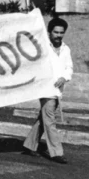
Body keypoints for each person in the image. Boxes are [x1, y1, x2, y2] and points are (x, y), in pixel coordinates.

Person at [22, 17, 73, 164]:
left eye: (61, 32)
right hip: (45, 89)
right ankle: (56, 152)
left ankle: (29, 145)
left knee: (43, 118)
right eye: (56, 32)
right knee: (50, 119)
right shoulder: (42, 47)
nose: (58, 35)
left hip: (57, 90)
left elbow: (69, 67)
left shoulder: (66, 49)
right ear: (49, 32)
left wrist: (64, 77)